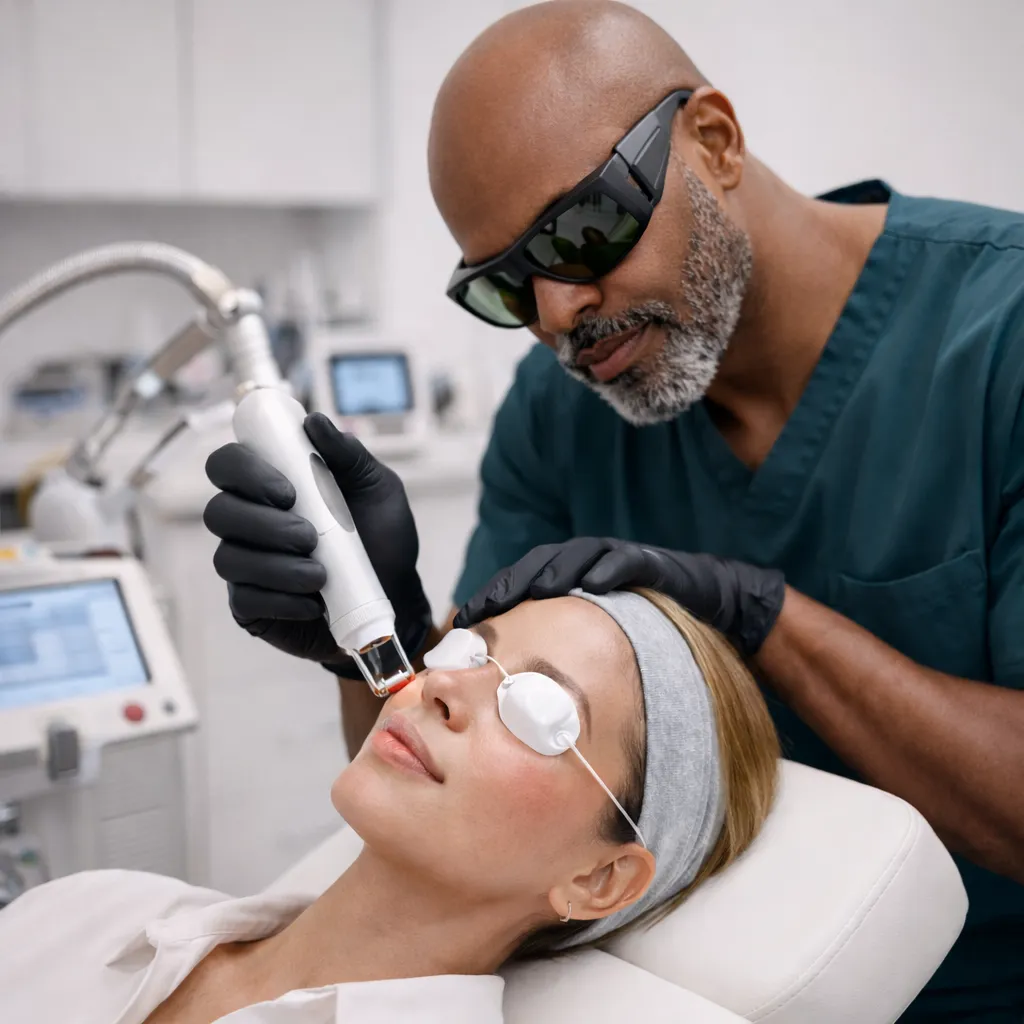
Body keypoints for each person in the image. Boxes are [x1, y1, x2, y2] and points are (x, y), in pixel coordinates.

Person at [202, 2, 1024, 1019]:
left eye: (583, 231)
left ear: (713, 143)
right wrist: (373, 635)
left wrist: (765, 618)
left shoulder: (1000, 344)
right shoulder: (560, 413)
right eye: (504, 286)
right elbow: (451, 792)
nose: (555, 314)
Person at [0, 589, 779, 1023]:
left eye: (536, 708)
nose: (442, 684)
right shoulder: (95, 908)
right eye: (472, 648)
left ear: (599, 879)